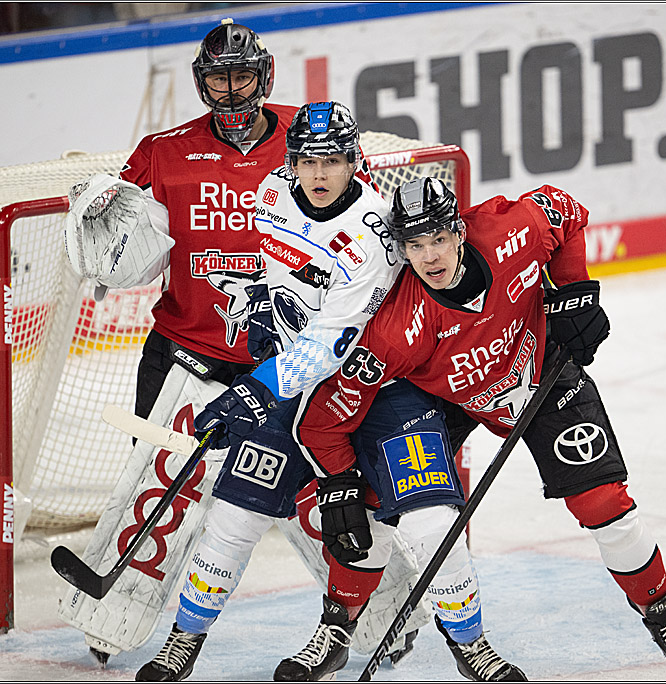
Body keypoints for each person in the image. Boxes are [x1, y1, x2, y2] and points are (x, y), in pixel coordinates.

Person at [200, 176, 666, 681]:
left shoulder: (511, 232)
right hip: (449, 400)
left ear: (459, 231)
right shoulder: (394, 330)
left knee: (604, 505)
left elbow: (566, 210)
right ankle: (337, 632)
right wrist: (340, 478)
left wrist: (575, 291)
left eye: (438, 239)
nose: (429, 256)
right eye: (414, 245)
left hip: (541, 372)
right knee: (371, 508)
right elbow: (326, 418)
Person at [58, 19, 421, 675]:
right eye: (218, 78)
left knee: (318, 492)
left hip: (285, 355)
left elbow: (362, 224)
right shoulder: (162, 151)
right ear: (203, 81)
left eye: (242, 75)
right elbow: (125, 245)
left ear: (266, 75)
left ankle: (382, 614)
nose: (230, 91)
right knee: (161, 479)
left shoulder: (309, 142)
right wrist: (100, 218)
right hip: (183, 349)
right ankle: (114, 620)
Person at [184, 101, 524, 683]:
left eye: (334, 161)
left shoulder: (369, 238)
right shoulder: (270, 196)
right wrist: (264, 307)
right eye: (309, 160)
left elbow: (329, 348)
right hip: (296, 389)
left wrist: (250, 391)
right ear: (291, 161)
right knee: (235, 516)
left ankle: (473, 646)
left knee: (430, 522)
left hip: (379, 386)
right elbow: (282, 280)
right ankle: (184, 643)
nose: (319, 174)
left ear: (354, 163)